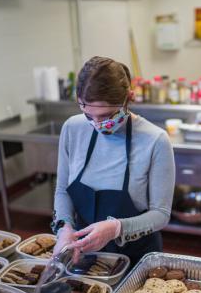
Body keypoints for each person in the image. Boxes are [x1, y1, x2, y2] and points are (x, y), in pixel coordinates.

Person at [51, 56, 175, 266]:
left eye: (107, 115)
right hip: (83, 254)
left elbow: (161, 214)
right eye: (89, 115)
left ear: (128, 98)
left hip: (136, 257)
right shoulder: (73, 129)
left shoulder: (155, 140)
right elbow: (63, 188)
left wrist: (116, 229)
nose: (98, 124)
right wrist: (64, 227)